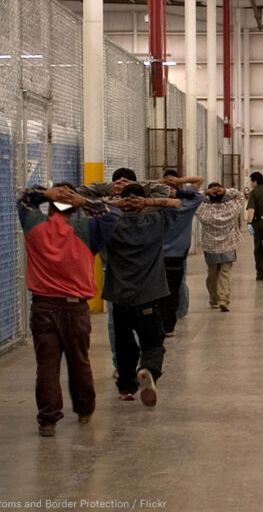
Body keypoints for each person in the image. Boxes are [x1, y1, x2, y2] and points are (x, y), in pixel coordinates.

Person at [17, 183, 121, 436]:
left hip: (43, 307)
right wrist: (83, 201)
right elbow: (113, 214)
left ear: (50, 206)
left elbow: (24, 200)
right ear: (73, 209)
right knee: (79, 361)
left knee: (47, 365)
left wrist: (44, 194)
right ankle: (85, 408)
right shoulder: (87, 230)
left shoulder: (34, 226)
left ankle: (48, 420)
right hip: (75, 309)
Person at [78, 167, 170, 378]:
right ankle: (142, 367)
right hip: (144, 278)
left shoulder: (104, 214)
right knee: (144, 331)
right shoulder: (148, 213)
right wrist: (136, 195)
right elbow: (165, 192)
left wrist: (112, 191)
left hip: (116, 277)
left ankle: (123, 371)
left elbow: (78, 196)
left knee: (120, 329)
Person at [103, 184, 180, 407]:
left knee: (124, 344)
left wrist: (116, 203)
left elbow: (88, 205)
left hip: (120, 297)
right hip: (150, 295)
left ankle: (126, 388)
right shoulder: (155, 223)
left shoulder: (110, 225)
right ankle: (148, 369)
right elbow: (175, 203)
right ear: (142, 203)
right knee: (153, 342)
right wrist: (146, 202)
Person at [160, 170, 204, 336]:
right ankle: (169, 326)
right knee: (173, 290)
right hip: (177, 255)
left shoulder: (155, 204)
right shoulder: (188, 203)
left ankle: (159, 322)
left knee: (158, 291)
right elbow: (199, 179)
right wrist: (179, 182)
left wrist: (162, 182)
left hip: (156, 254)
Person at [195, 183, 246, 312]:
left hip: (210, 247)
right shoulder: (231, 208)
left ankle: (213, 299)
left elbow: (193, 198)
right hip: (228, 246)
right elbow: (240, 196)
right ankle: (224, 299)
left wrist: (205, 192)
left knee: (212, 274)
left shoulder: (204, 210)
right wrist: (225, 190)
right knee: (225, 274)